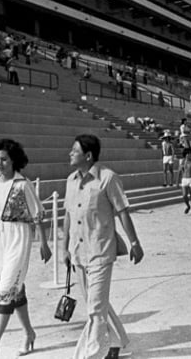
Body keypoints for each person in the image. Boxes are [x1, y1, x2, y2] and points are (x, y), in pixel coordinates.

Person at [64, 134, 145, 359]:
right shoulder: (70, 180)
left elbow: (122, 212)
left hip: (101, 250)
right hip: (78, 252)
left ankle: (91, 354)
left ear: (88, 156)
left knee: (95, 308)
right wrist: (64, 248)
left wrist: (135, 242)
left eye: (75, 151)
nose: (70, 154)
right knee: (96, 303)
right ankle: (115, 342)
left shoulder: (108, 178)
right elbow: (68, 215)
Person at [0, 139, 51, 359]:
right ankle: (29, 333)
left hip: (19, 236)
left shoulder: (23, 184)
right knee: (15, 289)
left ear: (13, 161)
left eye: (4, 159)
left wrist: (44, 243)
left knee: (5, 289)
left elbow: (37, 214)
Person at [178, 147, 191, 216]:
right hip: (184, 179)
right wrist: (177, 181)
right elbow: (179, 171)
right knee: (184, 195)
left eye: (189, 153)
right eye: (187, 154)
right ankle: (188, 206)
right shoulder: (182, 161)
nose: (188, 155)